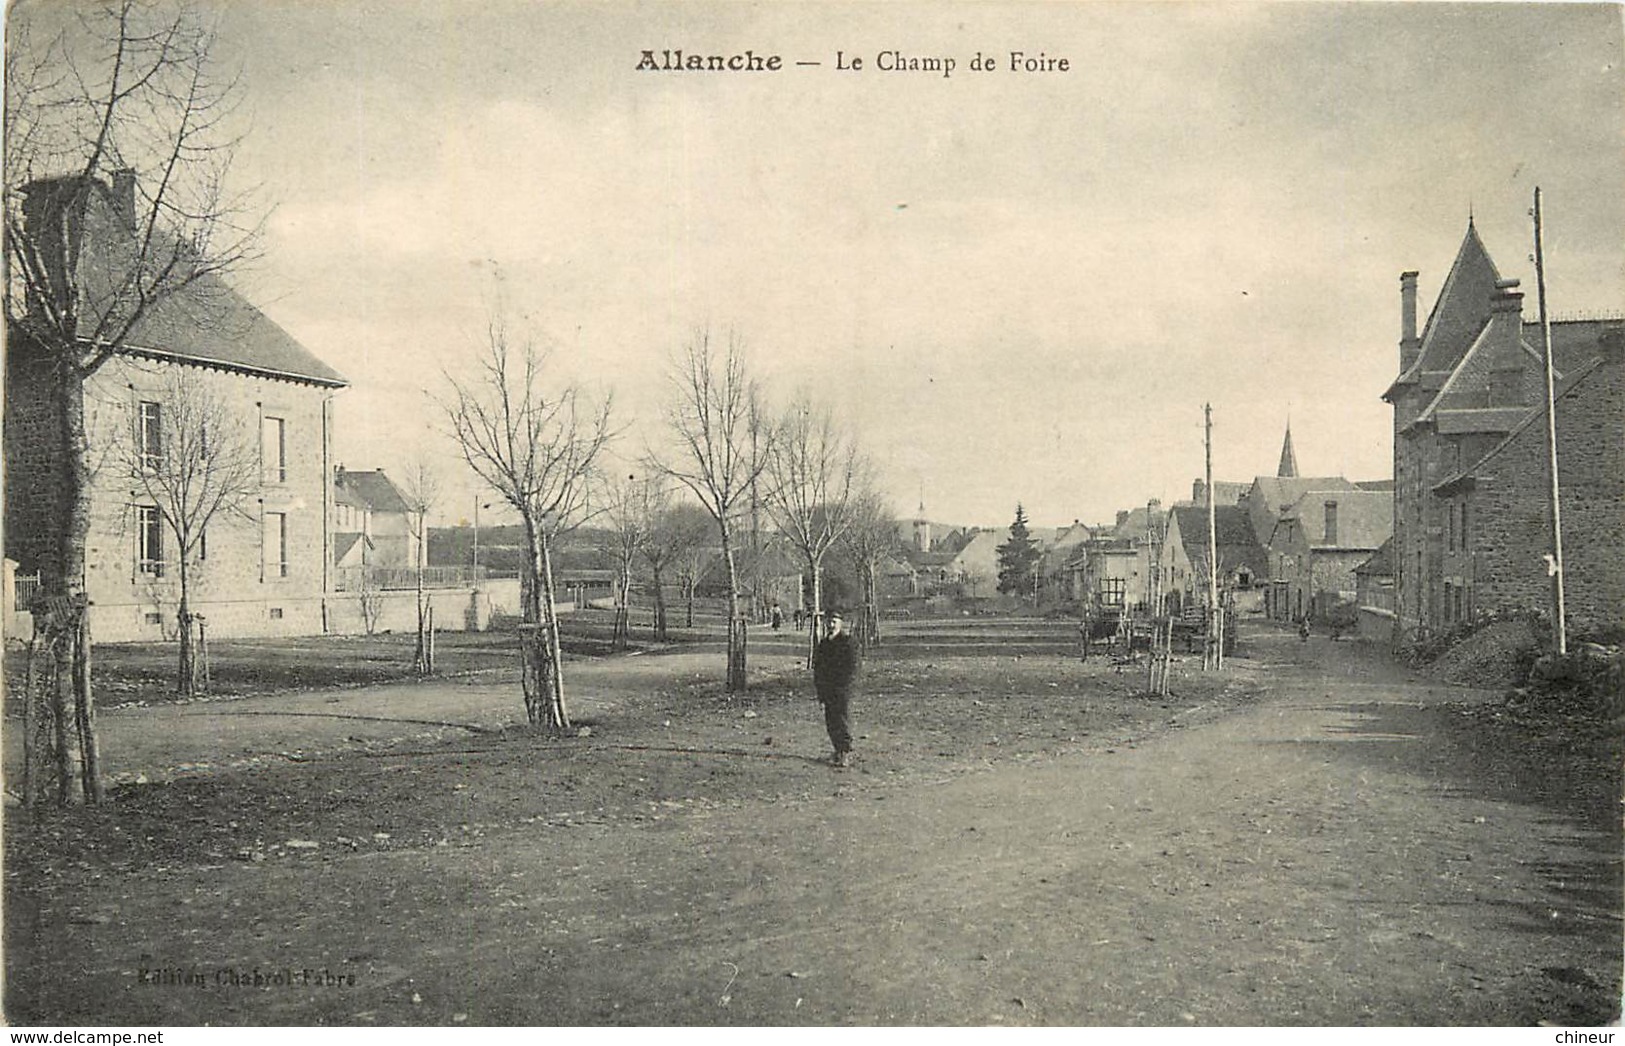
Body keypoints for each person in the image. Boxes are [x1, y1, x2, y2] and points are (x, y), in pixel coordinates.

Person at [812, 609, 861, 767]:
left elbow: (852, 668)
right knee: (830, 721)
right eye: (829, 621)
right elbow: (818, 669)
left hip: (841, 688)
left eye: (834, 622)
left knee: (842, 719)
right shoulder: (824, 644)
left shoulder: (848, 642)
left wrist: (844, 686)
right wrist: (821, 691)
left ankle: (846, 752)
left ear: (841, 623)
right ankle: (837, 750)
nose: (831, 625)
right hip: (827, 689)